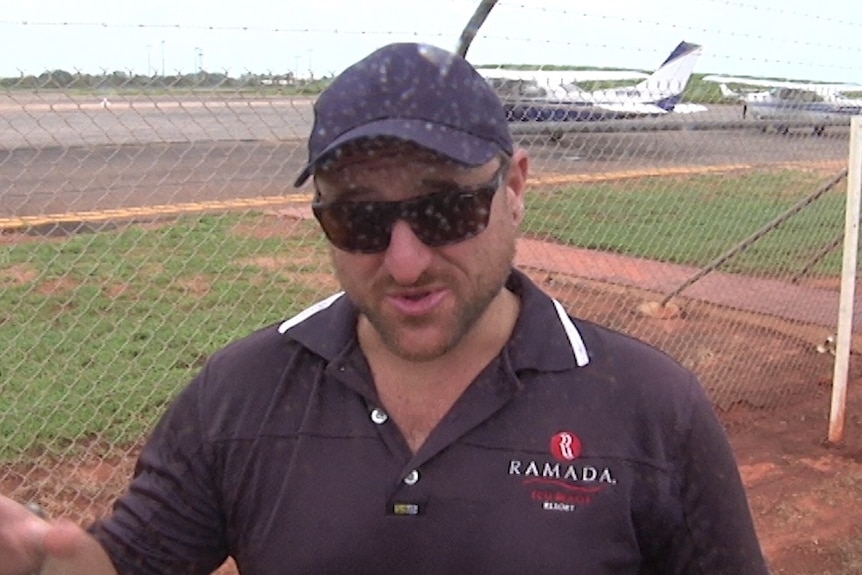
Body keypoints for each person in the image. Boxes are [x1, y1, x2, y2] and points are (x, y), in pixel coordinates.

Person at [0, 42, 770, 575]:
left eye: (444, 210)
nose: (403, 261)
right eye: (359, 220)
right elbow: (128, 560)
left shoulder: (651, 411)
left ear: (517, 189)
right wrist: (49, 558)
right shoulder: (239, 396)